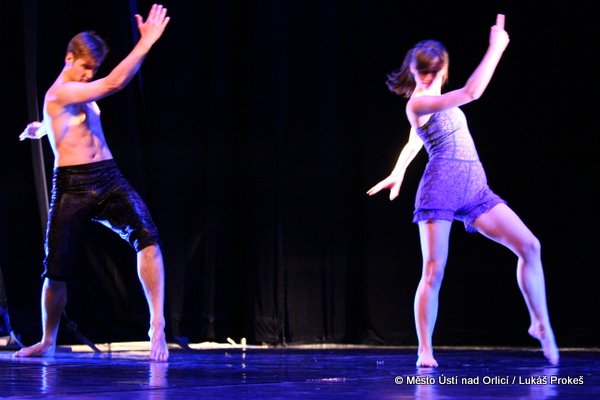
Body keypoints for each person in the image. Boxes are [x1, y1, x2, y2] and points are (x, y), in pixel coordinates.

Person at [367, 14, 559, 367]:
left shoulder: (437, 100)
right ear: (412, 70)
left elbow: (413, 141)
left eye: (433, 71)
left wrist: (397, 171)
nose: (427, 77)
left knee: (530, 246)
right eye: (422, 71)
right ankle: (425, 350)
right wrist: (496, 48)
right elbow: (472, 92)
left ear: (443, 69)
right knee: (433, 271)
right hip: (440, 188)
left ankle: (539, 322)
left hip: (475, 188)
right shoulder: (417, 103)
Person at [15, 4, 171, 362]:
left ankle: (157, 326)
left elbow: (68, 120)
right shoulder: (59, 92)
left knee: (148, 238)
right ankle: (47, 340)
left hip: (108, 178)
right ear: (69, 58)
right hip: (72, 186)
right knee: (56, 270)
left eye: (94, 70)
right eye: (85, 67)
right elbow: (114, 83)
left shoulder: (69, 96)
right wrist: (146, 41)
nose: (89, 75)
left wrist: (42, 128)